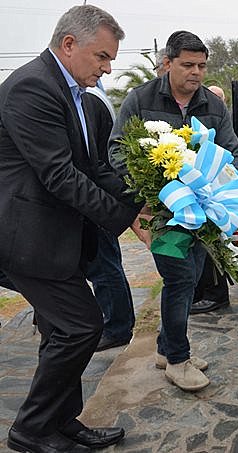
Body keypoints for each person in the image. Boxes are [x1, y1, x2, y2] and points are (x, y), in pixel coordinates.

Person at [0, 5, 143, 451]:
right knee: (80, 327)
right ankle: (31, 429)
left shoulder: (87, 103)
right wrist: (123, 218)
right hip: (26, 237)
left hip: (59, 239)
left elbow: (95, 167)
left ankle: (62, 420)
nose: (108, 67)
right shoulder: (31, 89)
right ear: (68, 45)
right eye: (102, 56)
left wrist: (141, 202)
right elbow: (60, 175)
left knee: (58, 330)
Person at [109, 30, 238, 391]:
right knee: (180, 279)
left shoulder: (213, 106)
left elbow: (232, 153)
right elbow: (117, 151)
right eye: (187, 65)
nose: (196, 72)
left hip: (204, 214)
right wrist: (145, 191)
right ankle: (178, 360)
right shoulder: (140, 100)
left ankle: (164, 348)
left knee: (193, 277)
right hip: (163, 214)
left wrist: (232, 196)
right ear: (167, 63)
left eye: (201, 65)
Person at [83, 83, 138, 352]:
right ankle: (117, 322)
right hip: (100, 197)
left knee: (105, 268)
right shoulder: (94, 98)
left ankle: (117, 327)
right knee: (106, 265)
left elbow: (95, 160)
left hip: (99, 199)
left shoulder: (90, 100)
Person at [189, 83, 232, 315]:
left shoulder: (220, 122)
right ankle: (197, 292)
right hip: (196, 189)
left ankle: (217, 294)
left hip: (216, 190)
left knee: (212, 245)